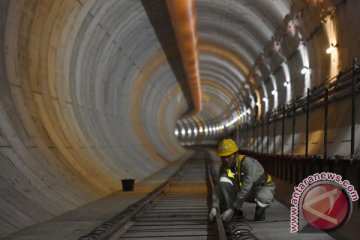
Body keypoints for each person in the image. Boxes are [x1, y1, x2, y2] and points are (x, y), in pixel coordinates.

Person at [209, 139, 275, 223]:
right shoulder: (223, 167)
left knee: (263, 197)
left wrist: (232, 208)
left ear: (235, 155)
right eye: (223, 157)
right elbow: (218, 188)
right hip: (244, 191)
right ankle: (232, 214)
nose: (225, 159)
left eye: (228, 156)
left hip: (261, 187)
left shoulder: (246, 163)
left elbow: (246, 187)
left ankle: (259, 216)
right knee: (223, 180)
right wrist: (214, 207)